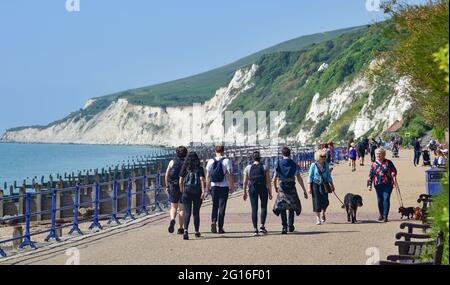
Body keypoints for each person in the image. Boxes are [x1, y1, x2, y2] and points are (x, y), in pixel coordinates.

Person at [272, 147, 308, 234]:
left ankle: (284, 227)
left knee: (282, 207)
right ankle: (290, 226)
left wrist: (275, 187)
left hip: (282, 188)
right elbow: (299, 178)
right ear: (290, 153)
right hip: (291, 187)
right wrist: (304, 190)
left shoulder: (278, 163)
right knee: (292, 206)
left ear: (282, 154)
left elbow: (274, 178)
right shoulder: (294, 164)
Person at [206, 145, 235, 234]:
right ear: (223, 151)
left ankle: (213, 221)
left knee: (214, 205)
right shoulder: (226, 161)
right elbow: (229, 174)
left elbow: (208, 175)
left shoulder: (210, 161)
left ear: (215, 151)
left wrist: (208, 187)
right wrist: (231, 186)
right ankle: (220, 227)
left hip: (214, 185)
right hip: (224, 186)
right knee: (222, 207)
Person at [243, 151, 273, 236]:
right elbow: (268, 181)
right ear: (260, 158)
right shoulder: (264, 167)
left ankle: (255, 229)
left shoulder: (248, 167)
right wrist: (270, 192)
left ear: (252, 158)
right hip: (263, 188)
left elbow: (245, 181)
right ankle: (262, 226)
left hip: (252, 188)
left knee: (254, 208)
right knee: (263, 207)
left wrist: (244, 192)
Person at [179, 152, 206, 240]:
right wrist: (203, 192)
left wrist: (182, 190)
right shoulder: (200, 168)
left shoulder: (185, 168)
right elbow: (202, 180)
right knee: (196, 212)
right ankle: (197, 231)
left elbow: (180, 181)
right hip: (197, 192)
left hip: (187, 192)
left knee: (187, 212)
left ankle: (186, 230)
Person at [367, 148, 398, 223]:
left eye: (379, 154)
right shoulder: (374, 164)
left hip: (388, 184)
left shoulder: (388, 162)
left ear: (383, 154)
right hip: (378, 184)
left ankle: (385, 216)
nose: (377, 155)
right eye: (376, 154)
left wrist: (393, 173)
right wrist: (369, 185)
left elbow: (394, 170)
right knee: (380, 200)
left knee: (386, 198)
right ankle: (381, 214)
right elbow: (370, 175)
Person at [308, 149, 335, 225]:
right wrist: (309, 187)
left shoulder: (326, 164)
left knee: (325, 200)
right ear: (318, 157)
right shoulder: (313, 165)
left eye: (324, 156)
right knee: (316, 201)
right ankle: (318, 219)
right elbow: (310, 176)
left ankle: (323, 211)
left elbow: (328, 176)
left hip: (324, 184)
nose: (323, 157)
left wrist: (332, 185)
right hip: (315, 184)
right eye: (322, 156)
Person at [165, 146, 188, 234]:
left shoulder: (172, 162)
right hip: (184, 186)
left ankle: (172, 220)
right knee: (182, 208)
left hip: (173, 186)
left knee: (173, 206)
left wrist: (167, 186)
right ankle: (181, 228)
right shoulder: (187, 163)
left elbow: (167, 175)